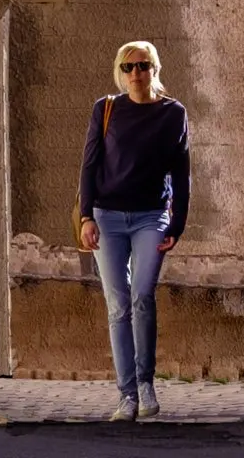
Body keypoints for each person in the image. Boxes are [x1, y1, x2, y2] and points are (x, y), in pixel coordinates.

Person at [76, 40, 190, 422]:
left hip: (150, 217)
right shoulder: (106, 109)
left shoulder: (174, 113)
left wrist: (178, 222)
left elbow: (181, 172)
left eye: (142, 66)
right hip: (106, 217)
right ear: (120, 73)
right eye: (128, 68)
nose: (135, 74)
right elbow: (89, 166)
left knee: (142, 295)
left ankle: (145, 383)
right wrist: (86, 218)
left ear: (155, 69)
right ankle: (126, 395)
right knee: (118, 304)